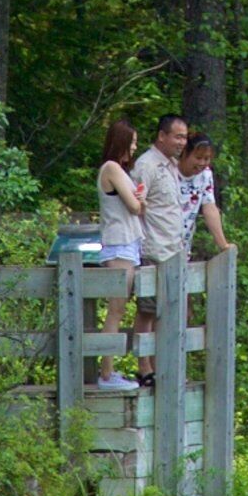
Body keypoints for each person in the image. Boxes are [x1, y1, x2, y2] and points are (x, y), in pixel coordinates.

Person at [130, 117, 195, 384]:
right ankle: (144, 368)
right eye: (177, 136)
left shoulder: (172, 166)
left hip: (173, 252)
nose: (182, 142)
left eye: (184, 137)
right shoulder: (146, 165)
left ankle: (161, 367)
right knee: (147, 310)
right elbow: (135, 204)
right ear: (161, 136)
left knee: (167, 313)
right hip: (152, 249)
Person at [90, 118, 145, 392]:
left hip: (128, 243)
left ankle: (109, 370)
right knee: (116, 309)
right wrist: (141, 200)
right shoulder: (111, 168)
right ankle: (106, 374)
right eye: (131, 142)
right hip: (119, 243)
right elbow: (135, 206)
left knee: (120, 308)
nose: (134, 148)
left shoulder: (120, 170)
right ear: (120, 141)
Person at [177, 133, 234, 263]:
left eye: (206, 158)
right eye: (198, 158)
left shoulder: (206, 175)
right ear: (185, 153)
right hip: (157, 246)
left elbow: (210, 208)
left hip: (183, 249)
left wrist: (223, 245)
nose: (202, 163)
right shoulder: (168, 170)